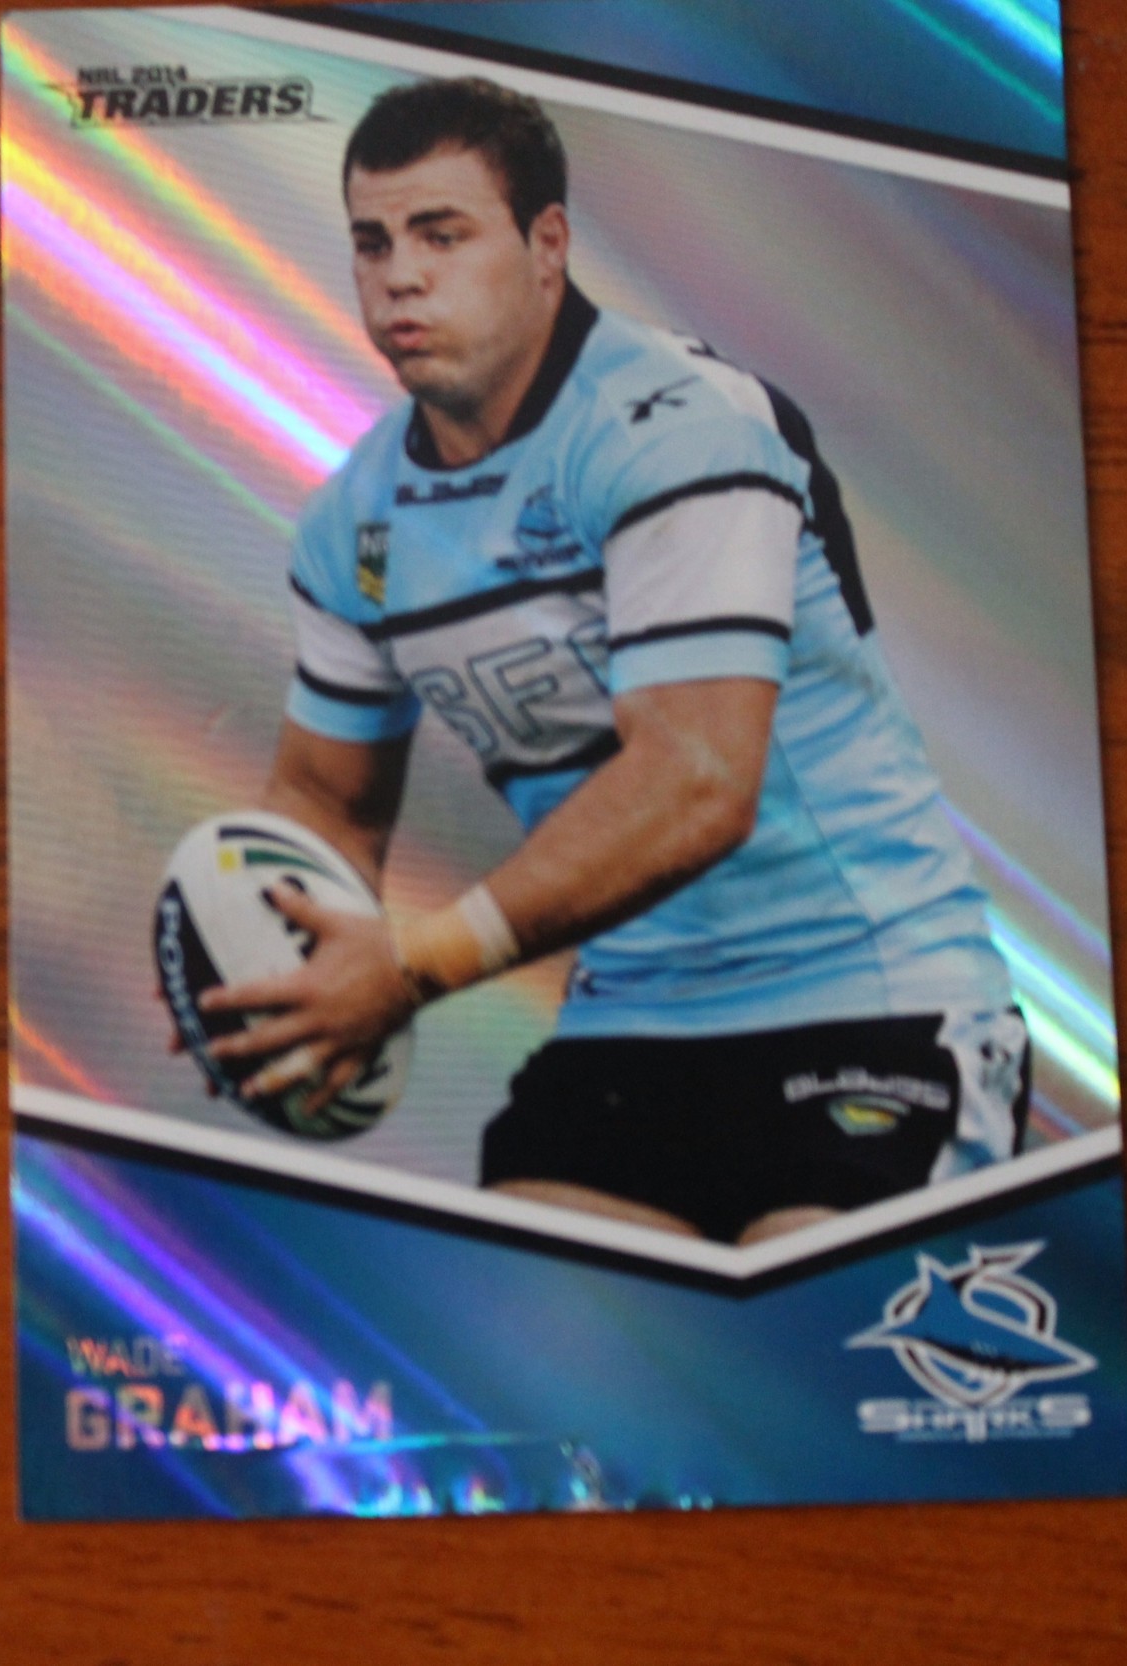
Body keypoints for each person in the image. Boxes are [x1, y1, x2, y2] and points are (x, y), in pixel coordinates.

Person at [197, 77, 1028, 1246]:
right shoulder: (352, 523)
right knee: (543, 1333)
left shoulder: (685, 423)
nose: (399, 276)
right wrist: (261, 964)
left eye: (441, 234)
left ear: (548, 246)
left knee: (808, 1320)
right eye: (372, 243)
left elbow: (697, 780)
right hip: (629, 1031)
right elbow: (325, 801)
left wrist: (411, 965)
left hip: (869, 1002)